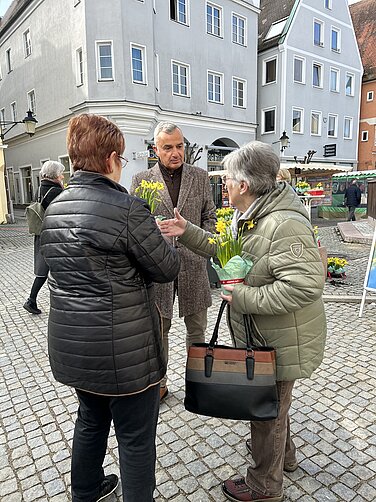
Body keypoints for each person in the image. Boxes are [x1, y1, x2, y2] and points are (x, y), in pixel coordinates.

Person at [159, 141, 327, 502]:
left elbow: (304, 287)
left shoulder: (282, 224)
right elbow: (226, 250)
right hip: (267, 336)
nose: (225, 185)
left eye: (229, 179)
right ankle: (286, 460)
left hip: (283, 339)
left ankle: (265, 486)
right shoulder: (252, 215)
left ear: (244, 185)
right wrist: (186, 230)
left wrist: (242, 297)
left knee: (268, 414)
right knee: (273, 406)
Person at [40, 114, 180, 502]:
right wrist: (164, 242)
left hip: (74, 347)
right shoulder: (128, 208)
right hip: (125, 351)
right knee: (135, 438)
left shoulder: (56, 208)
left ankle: (85, 492)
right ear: (112, 158)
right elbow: (166, 269)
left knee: (90, 420)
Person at [130, 121, 216, 401]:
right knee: (159, 329)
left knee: (197, 328)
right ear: (156, 149)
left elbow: (210, 217)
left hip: (193, 264)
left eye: (180, 146)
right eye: (168, 147)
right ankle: (160, 382)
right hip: (159, 267)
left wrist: (201, 241)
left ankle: (198, 381)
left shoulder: (201, 177)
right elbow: (135, 224)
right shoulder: (141, 180)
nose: (175, 152)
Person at [23, 160, 65, 315]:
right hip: (55, 235)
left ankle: (31, 300)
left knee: (42, 270)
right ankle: (58, 302)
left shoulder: (40, 188)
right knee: (59, 268)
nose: (62, 176)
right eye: (61, 173)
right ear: (55, 175)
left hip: (41, 233)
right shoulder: (56, 192)